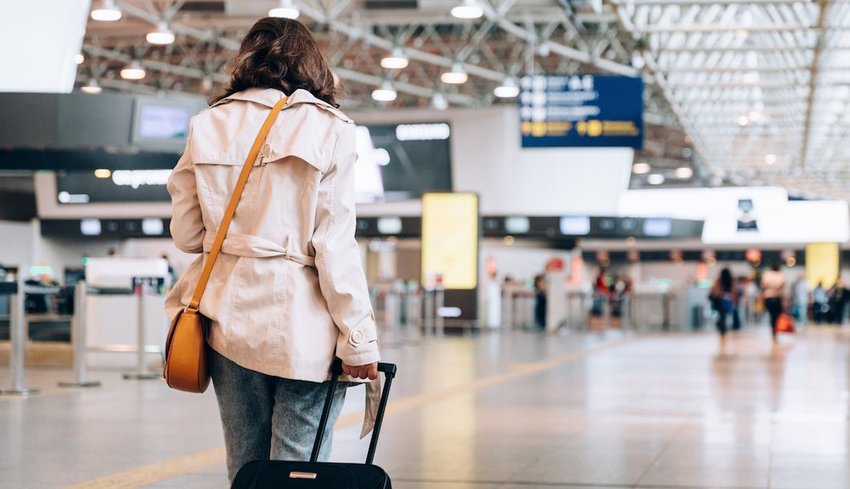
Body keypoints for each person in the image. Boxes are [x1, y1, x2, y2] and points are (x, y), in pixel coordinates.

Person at [163, 17, 380, 483]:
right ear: (312, 63)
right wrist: (360, 338)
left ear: (247, 59)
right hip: (303, 329)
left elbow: (187, 235)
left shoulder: (209, 124)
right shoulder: (329, 127)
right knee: (299, 472)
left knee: (245, 468)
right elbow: (334, 245)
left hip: (225, 320)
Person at [710, 268, 737, 344]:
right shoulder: (731, 281)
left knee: (722, 316)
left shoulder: (719, 280)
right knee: (723, 317)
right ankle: (722, 331)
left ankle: (722, 330)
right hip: (728, 300)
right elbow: (734, 291)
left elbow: (713, 290)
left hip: (720, 300)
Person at [760, 263, 786, 343]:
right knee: (776, 316)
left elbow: (762, 286)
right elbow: (782, 288)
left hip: (768, 297)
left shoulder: (766, 275)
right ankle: (775, 331)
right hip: (777, 297)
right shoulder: (781, 275)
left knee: (771, 315)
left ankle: (773, 331)